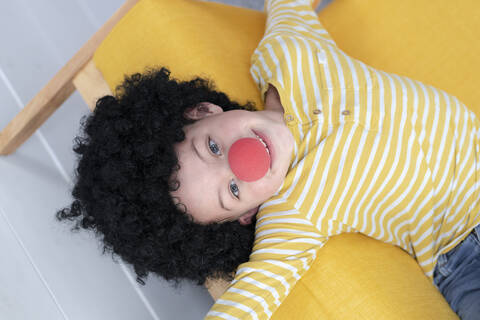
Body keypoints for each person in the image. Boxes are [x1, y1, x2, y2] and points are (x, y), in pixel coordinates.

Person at [56, 0, 480, 319]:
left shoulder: (289, 54)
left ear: (202, 111)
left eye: (214, 148)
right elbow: (255, 292)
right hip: (466, 249)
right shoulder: (295, 211)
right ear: (247, 214)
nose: (242, 162)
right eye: (234, 190)